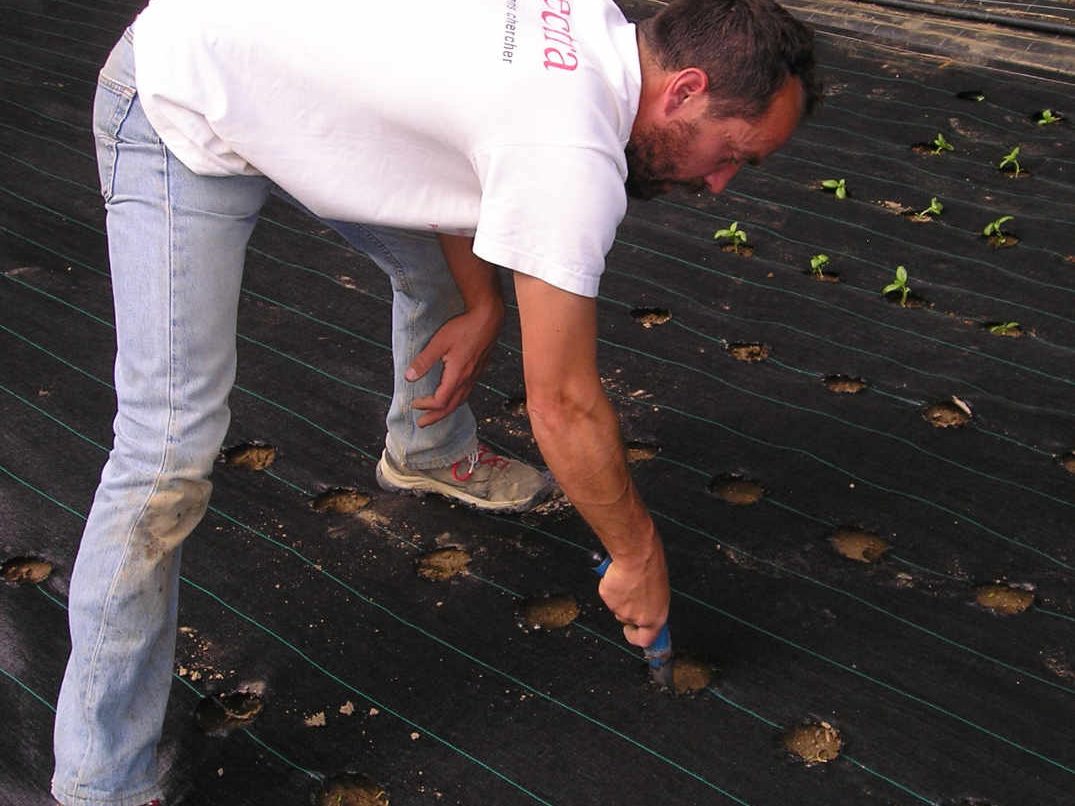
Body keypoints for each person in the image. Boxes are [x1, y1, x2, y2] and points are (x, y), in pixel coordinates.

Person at [52, 0, 820, 802]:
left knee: (448, 283)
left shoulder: (592, 25)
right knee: (167, 452)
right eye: (731, 153)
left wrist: (477, 300)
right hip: (180, 101)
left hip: (283, 83)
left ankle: (425, 450)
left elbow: (454, 144)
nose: (719, 183)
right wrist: (636, 556)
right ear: (684, 88)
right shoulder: (567, 148)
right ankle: (101, 777)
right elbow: (563, 402)